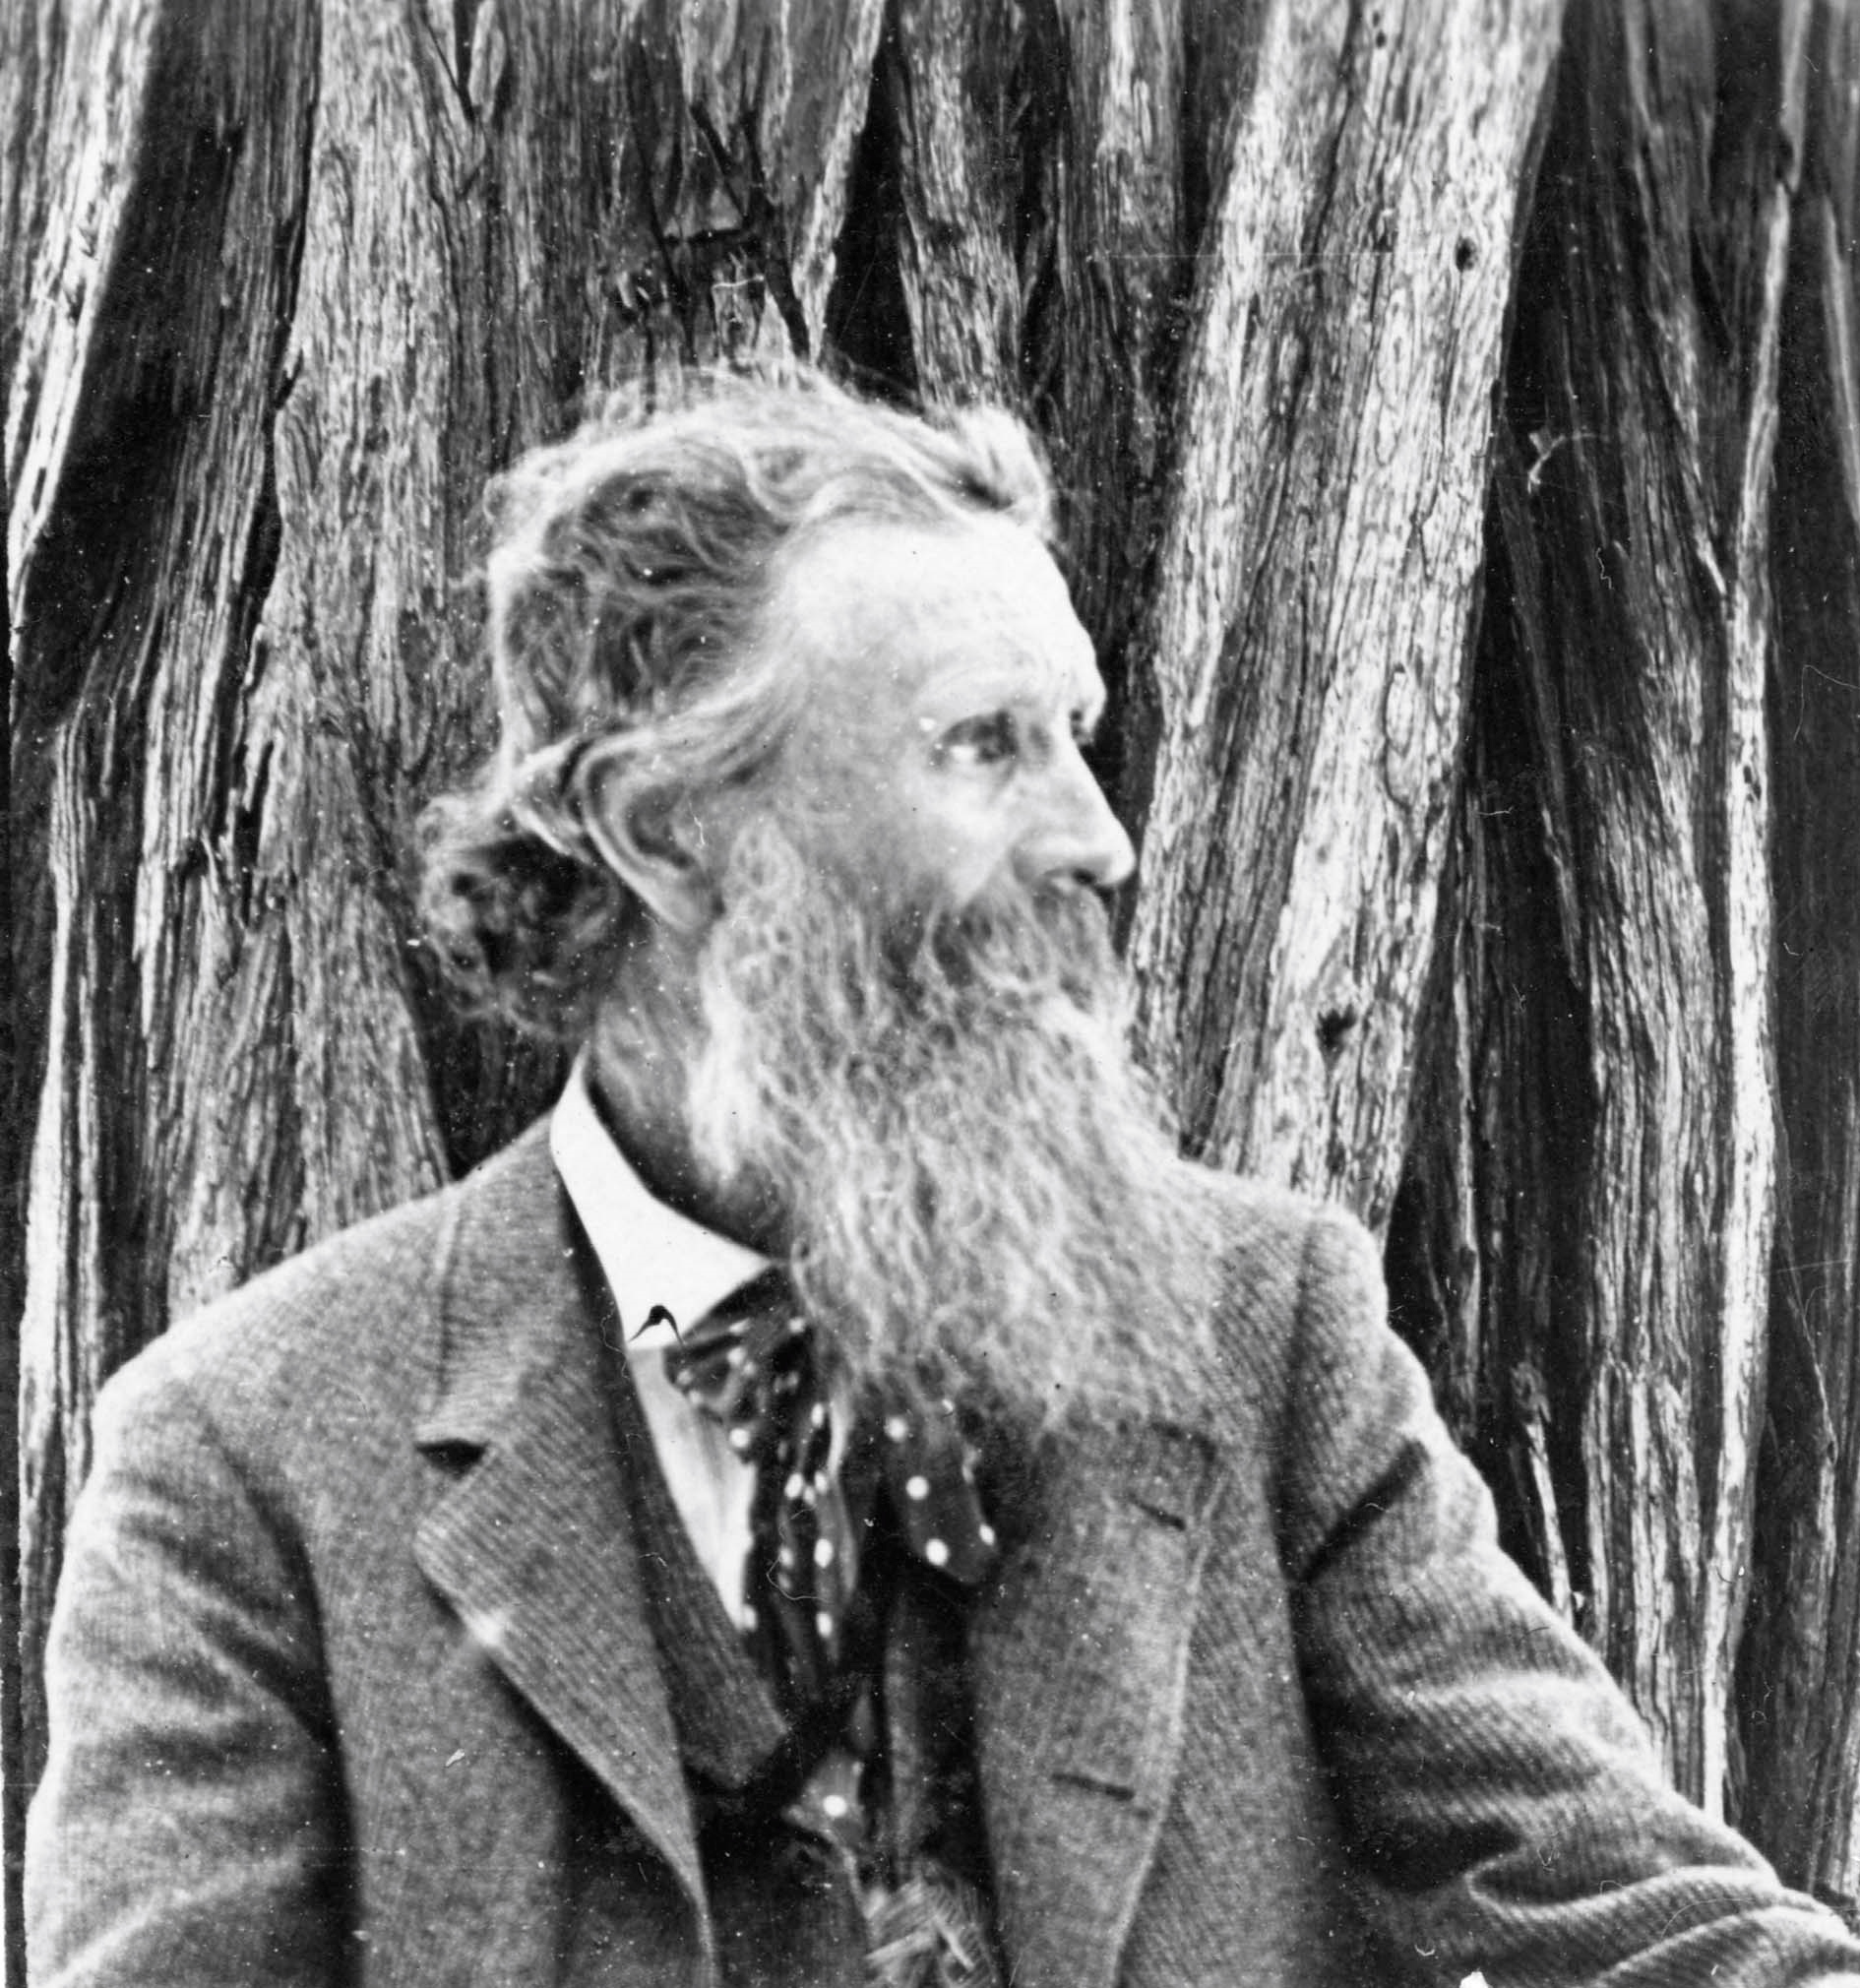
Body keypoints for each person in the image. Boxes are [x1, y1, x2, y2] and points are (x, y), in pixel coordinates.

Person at [25, 366, 1860, 1988]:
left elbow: (1640, 1920)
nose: (1100, 838)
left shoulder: (1259, 1329)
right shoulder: (247, 1460)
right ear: (671, 833)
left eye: (1079, 736)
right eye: (985, 746)